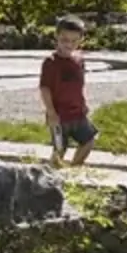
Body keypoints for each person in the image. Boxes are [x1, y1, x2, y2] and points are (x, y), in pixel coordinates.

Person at [40, 15, 96, 168]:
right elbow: (45, 88)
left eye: (74, 41)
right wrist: (51, 112)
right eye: (65, 40)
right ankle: (50, 177)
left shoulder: (79, 60)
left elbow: (78, 85)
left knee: (89, 140)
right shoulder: (51, 63)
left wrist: (83, 104)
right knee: (59, 149)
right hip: (59, 116)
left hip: (77, 113)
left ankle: (74, 169)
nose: (69, 44)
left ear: (81, 40)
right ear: (57, 37)